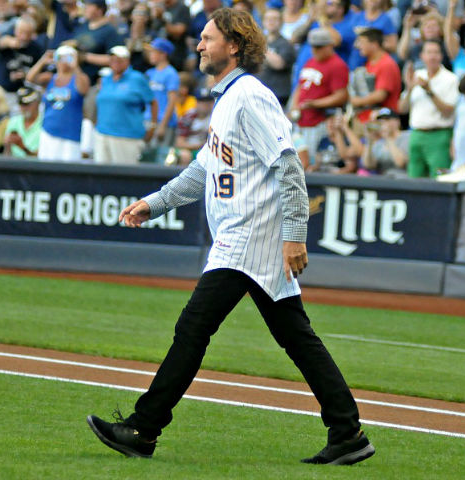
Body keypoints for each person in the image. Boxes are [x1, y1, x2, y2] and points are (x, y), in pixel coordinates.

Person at [86, 8, 375, 467]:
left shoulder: (250, 96)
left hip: (248, 236)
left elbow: (288, 164)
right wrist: (154, 203)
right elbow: (204, 168)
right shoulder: (228, 99)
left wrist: (295, 235)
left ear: (234, 45)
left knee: (192, 328)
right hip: (245, 237)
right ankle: (347, 431)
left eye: (207, 38)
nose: (199, 46)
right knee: (297, 337)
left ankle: (143, 427)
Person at [289, 27, 349, 167]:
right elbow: (300, 86)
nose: (315, 51)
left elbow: (341, 96)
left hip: (318, 122)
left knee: (309, 161)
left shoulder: (337, 65)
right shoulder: (311, 61)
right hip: (301, 120)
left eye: (319, 47)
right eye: (314, 47)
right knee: (296, 159)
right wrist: (294, 106)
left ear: (329, 45)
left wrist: (316, 104)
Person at [398, 40, 458, 177]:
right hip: (416, 134)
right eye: (429, 52)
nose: (432, 56)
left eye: (436, 52)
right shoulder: (417, 75)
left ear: (441, 56)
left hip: (439, 134)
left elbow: (448, 111)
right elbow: (402, 109)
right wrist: (409, 88)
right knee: (413, 179)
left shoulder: (450, 79)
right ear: (422, 56)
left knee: (439, 180)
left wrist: (429, 91)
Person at [93, 45, 157, 164]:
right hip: (102, 134)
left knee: (123, 175)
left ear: (127, 60)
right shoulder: (105, 79)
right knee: (100, 176)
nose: (115, 62)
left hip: (127, 136)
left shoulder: (137, 78)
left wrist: (152, 126)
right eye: (113, 59)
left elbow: (152, 102)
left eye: (119, 59)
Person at [26, 45, 90, 162]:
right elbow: (29, 79)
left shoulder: (79, 78)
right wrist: (42, 61)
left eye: (68, 58)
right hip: (49, 131)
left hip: (70, 134)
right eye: (61, 58)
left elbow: (84, 89)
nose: (64, 62)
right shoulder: (50, 79)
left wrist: (75, 67)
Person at [350, 27, 402, 124]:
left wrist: (356, 101)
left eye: (362, 42)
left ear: (374, 44)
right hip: (366, 120)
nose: (358, 46)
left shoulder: (386, 64)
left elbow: (380, 95)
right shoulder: (369, 63)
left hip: (383, 122)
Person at [145, 37, 179, 161]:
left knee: (161, 157)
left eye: (153, 52)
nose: (150, 55)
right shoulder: (150, 73)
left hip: (163, 122)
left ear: (163, 54)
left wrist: (163, 125)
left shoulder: (171, 73)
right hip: (149, 119)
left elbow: (172, 101)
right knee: (147, 156)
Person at [257, 7, 297, 107]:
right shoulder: (260, 41)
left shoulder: (286, 44)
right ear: (263, 22)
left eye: (275, 19)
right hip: (258, 94)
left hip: (278, 96)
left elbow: (279, 64)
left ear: (281, 22)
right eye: (268, 19)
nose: (271, 21)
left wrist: (260, 48)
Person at [172, 86, 214, 165]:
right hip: (189, 149)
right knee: (185, 155)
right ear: (196, 102)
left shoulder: (215, 116)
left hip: (207, 149)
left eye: (208, 101)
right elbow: (179, 143)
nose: (205, 104)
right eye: (202, 101)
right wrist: (199, 145)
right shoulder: (188, 117)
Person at [361, 107, 409, 176]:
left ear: (397, 121)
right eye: (380, 121)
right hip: (383, 182)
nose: (383, 123)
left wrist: (388, 137)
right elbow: (368, 165)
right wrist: (369, 141)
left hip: (403, 180)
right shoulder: (379, 143)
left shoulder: (407, 136)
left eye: (387, 119)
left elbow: (400, 163)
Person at [3, 86, 43, 158]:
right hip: (14, 165)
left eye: (27, 104)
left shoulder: (45, 123)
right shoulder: (13, 121)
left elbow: (43, 157)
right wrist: (7, 145)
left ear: (37, 103)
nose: (24, 108)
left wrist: (22, 146)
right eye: (21, 104)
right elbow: (6, 155)